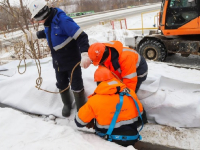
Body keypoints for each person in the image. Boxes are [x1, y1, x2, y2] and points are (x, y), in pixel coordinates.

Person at [21, 0, 91, 117]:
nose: (38, 21)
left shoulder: (63, 20)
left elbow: (81, 36)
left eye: (38, 19)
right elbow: (48, 32)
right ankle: (67, 105)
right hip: (58, 61)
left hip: (71, 60)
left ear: (42, 15)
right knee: (61, 83)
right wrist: (33, 36)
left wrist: (85, 54)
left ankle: (81, 108)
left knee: (76, 84)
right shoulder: (49, 21)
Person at [75, 66, 144, 147]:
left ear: (97, 82)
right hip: (132, 138)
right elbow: (141, 114)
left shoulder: (95, 101)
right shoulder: (130, 93)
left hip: (108, 142)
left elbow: (79, 122)